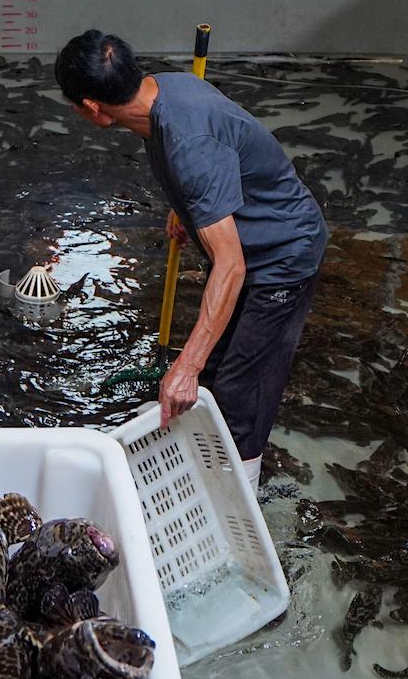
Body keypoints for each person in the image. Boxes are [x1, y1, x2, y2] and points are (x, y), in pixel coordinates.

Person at [54, 29, 327, 462]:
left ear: (92, 109)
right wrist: (193, 210)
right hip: (246, 236)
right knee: (219, 369)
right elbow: (223, 156)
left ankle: (240, 497)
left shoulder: (188, 144)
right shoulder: (165, 89)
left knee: (240, 391)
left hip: (282, 253)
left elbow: (231, 266)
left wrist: (185, 367)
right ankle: (204, 456)